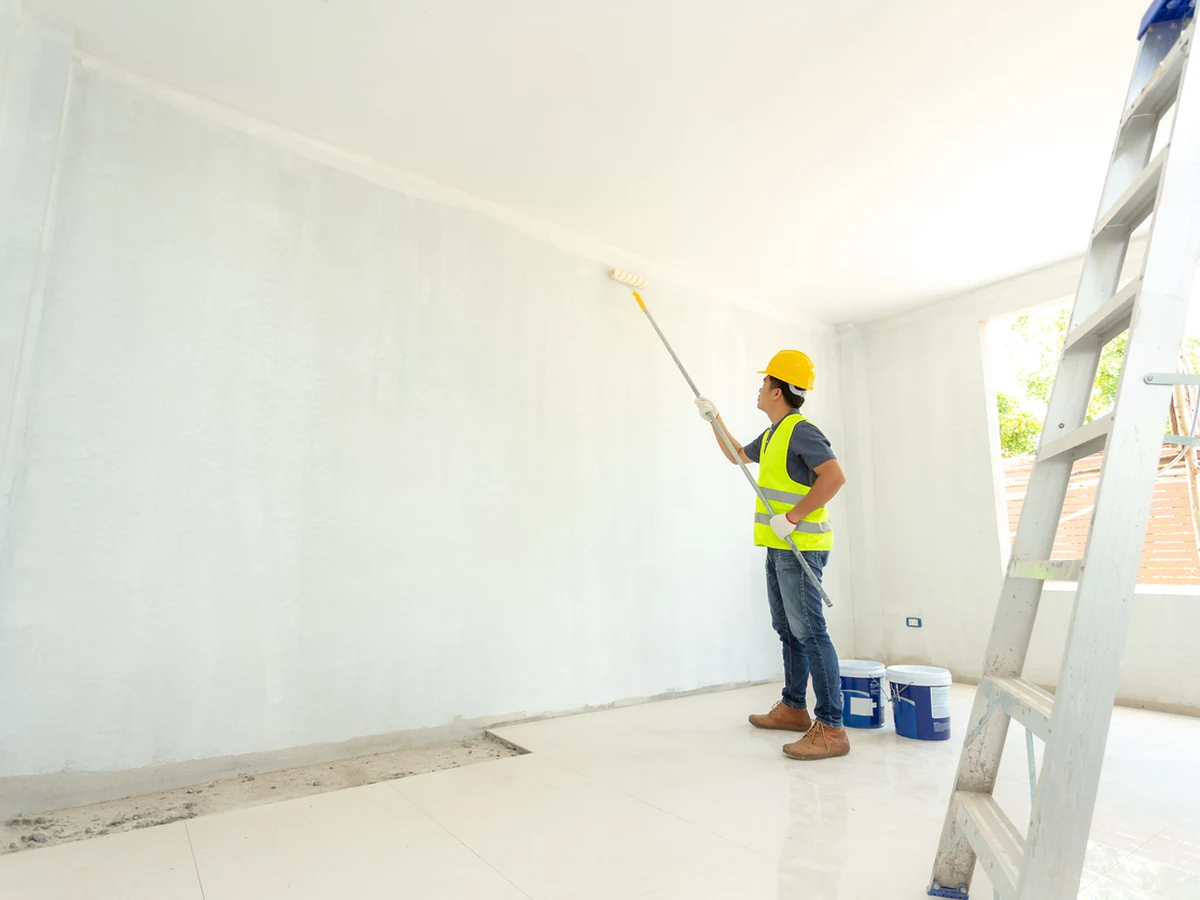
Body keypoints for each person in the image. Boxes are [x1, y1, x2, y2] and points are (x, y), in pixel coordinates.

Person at [695, 350, 850, 760]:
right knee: (787, 629)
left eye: (764, 384)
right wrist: (715, 419)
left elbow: (834, 477)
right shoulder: (774, 434)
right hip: (779, 547)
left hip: (800, 548)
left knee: (811, 633)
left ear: (777, 390)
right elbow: (735, 455)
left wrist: (795, 517)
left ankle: (832, 728)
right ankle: (794, 708)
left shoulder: (801, 431)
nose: (759, 388)